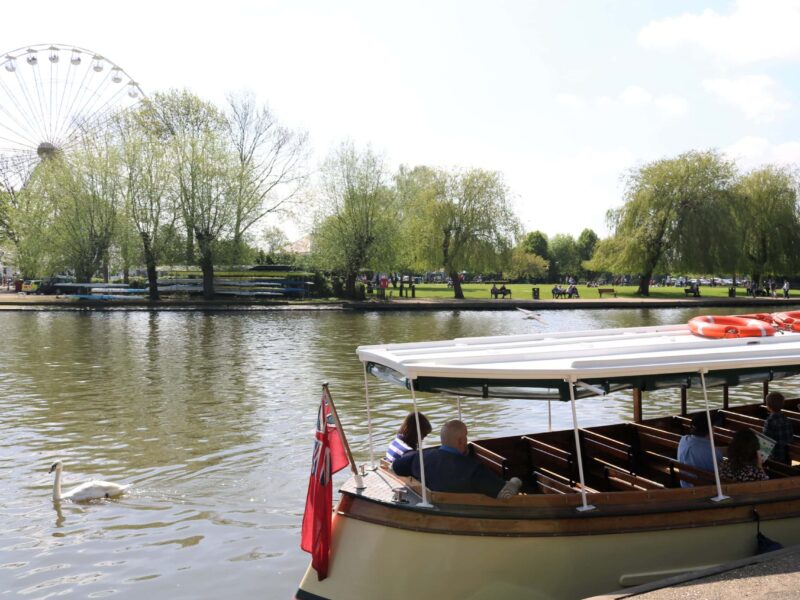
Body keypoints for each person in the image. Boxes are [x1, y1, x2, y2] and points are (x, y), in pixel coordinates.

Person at [392, 419, 521, 499]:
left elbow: (395, 466)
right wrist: (516, 481)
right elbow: (506, 494)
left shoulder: (420, 457)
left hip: (435, 510)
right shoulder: (473, 470)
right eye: (465, 436)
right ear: (461, 441)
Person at [677, 412, 723, 488]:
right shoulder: (712, 452)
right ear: (710, 430)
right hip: (703, 491)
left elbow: (699, 449)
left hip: (685, 486)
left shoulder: (683, 440)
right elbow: (722, 474)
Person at [763, 392, 794, 465]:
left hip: (774, 457)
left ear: (768, 406)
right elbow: (790, 438)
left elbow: (766, 441)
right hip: (786, 456)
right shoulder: (786, 419)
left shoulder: (769, 421)